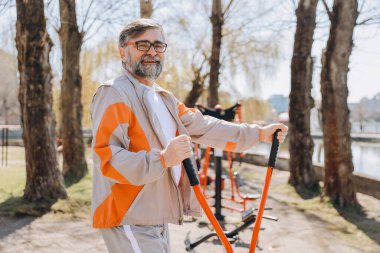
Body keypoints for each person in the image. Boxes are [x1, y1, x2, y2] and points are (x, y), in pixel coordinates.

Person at [90, 18, 288, 253]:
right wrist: (162, 158)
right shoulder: (114, 93)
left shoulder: (164, 98)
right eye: (142, 45)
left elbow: (205, 127)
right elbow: (107, 159)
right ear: (123, 52)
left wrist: (259, 134)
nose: (152, 52)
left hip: (156, 215)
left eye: (158, 45)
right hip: (129, 217)